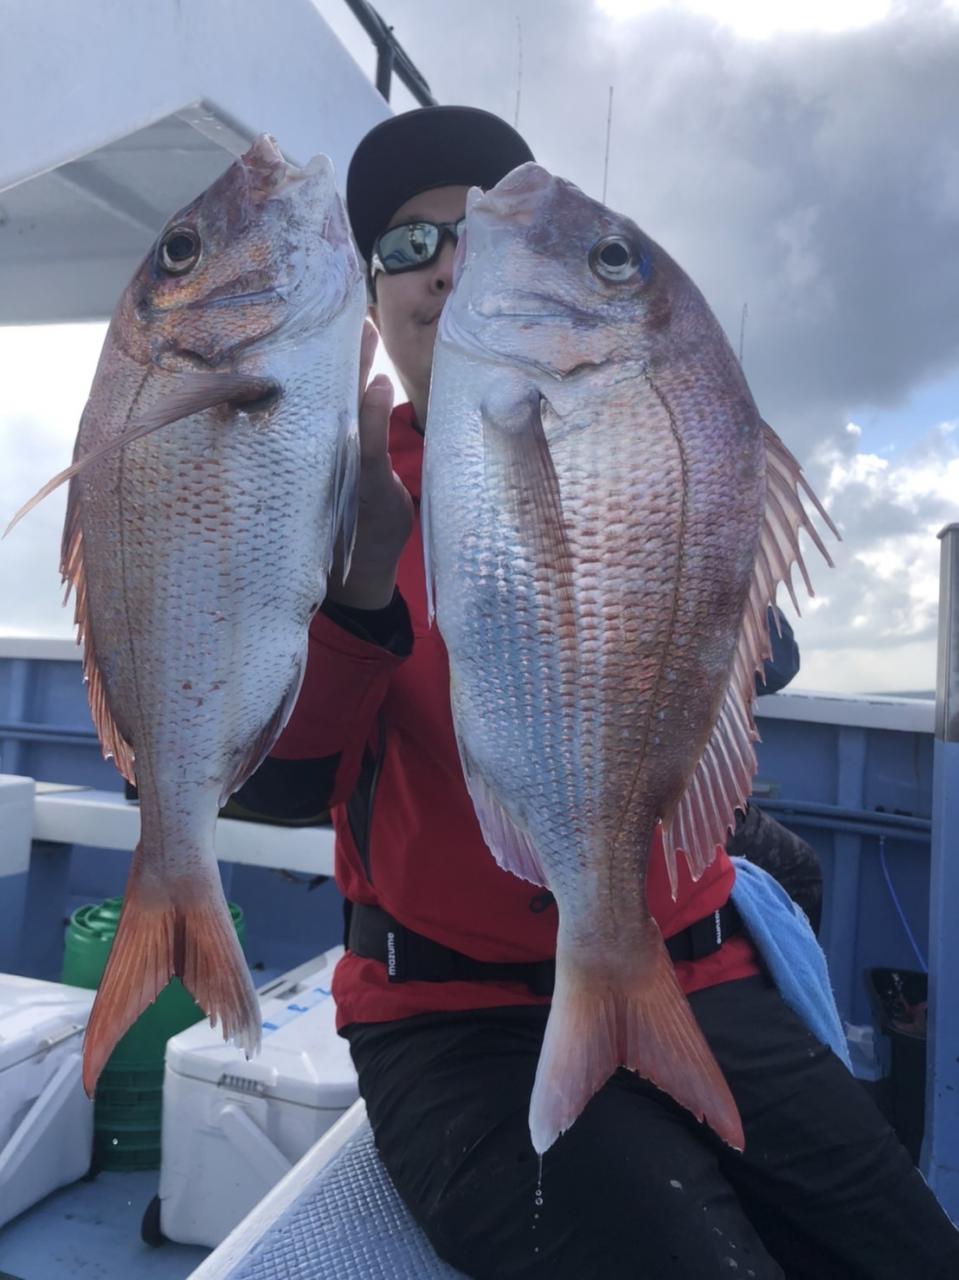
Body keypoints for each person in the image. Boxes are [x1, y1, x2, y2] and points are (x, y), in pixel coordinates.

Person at [235, 106, 959, 1279]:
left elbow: (756, 660)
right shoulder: (325, 485)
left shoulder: (631, 428)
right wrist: (358, 593)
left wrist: (699, 517)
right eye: (408, 246)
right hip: (452, 1023)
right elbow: (271, 784)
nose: (447, 262)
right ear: (370, 299)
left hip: (695, 968)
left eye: (475, 228)